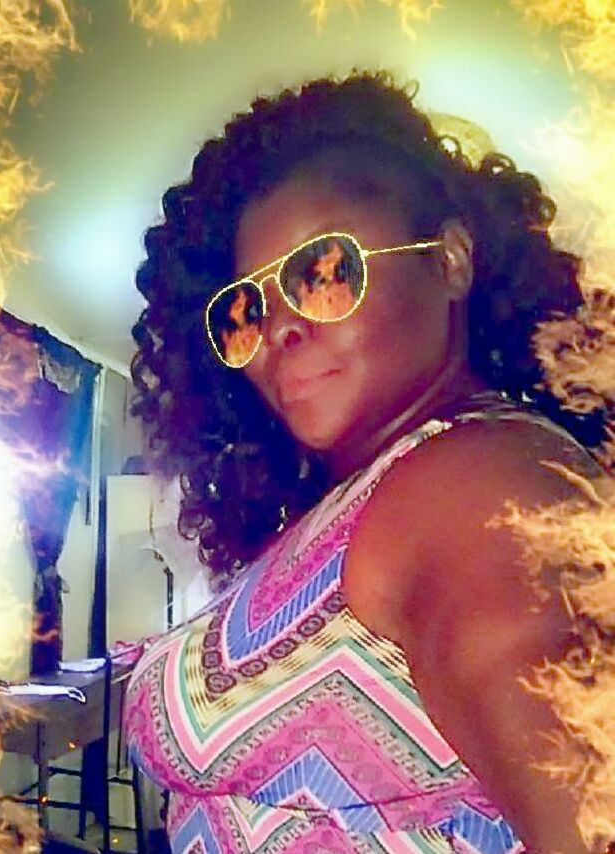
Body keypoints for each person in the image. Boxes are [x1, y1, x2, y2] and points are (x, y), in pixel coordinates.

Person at [123, 71, 607, 853]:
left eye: (323, 272)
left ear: (449, 260)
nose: (279, 328)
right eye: (247, 310)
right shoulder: (383, 489)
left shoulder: (476, 487)